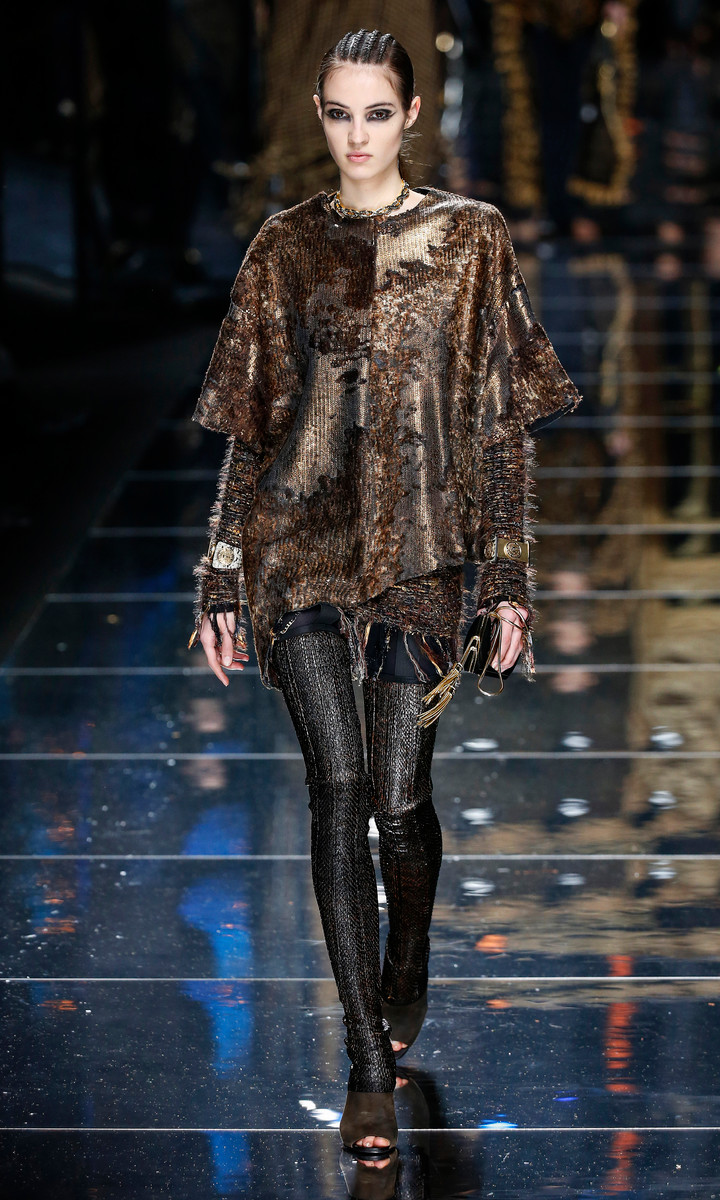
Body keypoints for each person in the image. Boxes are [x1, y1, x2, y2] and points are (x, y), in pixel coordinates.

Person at [188, 27, 581, 1173]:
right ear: (319, 115)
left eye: (375, 113)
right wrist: (221, 575)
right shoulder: (282, 245)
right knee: (338, 786)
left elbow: (499, 427)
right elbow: (249, 427)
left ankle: (407, 951)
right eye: (337, 113)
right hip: (299, 548)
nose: (354, 136)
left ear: (411, 115)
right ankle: (365, 1061)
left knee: (400, 804)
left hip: (421, 552)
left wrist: (505, 582)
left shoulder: (469, 239)